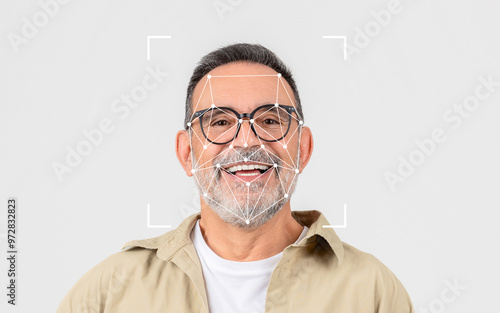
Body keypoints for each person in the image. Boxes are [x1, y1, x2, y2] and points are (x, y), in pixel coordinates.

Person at [56, 43, 414, 313]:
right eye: (220, 122)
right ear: (187, 154)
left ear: (302, 149)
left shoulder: (372, 291)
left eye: (271, 120)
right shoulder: (111, 290)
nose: (246, 141)